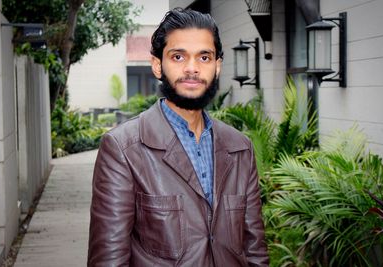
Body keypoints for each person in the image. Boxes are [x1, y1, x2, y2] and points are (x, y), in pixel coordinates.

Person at [88, 8, 269, 266]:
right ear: (157, 65)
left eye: (204, 57)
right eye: (178, 56)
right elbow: (109, 259)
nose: (192, 68)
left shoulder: (240, 147)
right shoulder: (123, 149)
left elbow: (255, 251)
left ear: (217, 67)